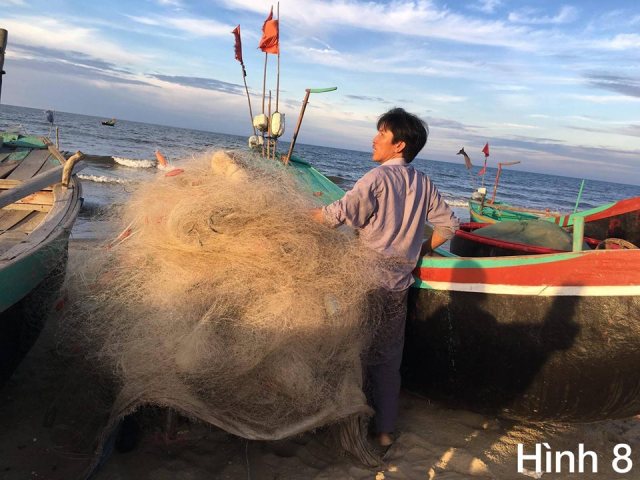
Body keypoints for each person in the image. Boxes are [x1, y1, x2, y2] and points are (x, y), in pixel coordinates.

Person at [310, 107, 459, 448]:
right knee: (388, 360)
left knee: (352, 351)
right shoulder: (423, 182)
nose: (374, 139)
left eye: (381, 134)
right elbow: (450, 225)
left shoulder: (376, 178)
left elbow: (335, 217)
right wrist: (420, 250)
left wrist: (298, 215)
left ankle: (349, 426)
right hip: (398, 287)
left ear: (399, 144)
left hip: (365, 282)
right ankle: (385, 432)